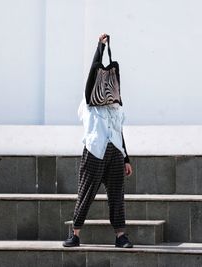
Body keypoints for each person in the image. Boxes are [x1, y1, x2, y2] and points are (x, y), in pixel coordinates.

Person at [62, 33, 133, 248]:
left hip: (114, 153)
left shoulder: (115, 106)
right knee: (86, 192)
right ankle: (75, 234)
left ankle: (120, 236)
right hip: (95, 152)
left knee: (117, 196)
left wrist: (126, 158)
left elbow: (119, 132)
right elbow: (94, 72)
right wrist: (100, 48)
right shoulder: (89, 102)